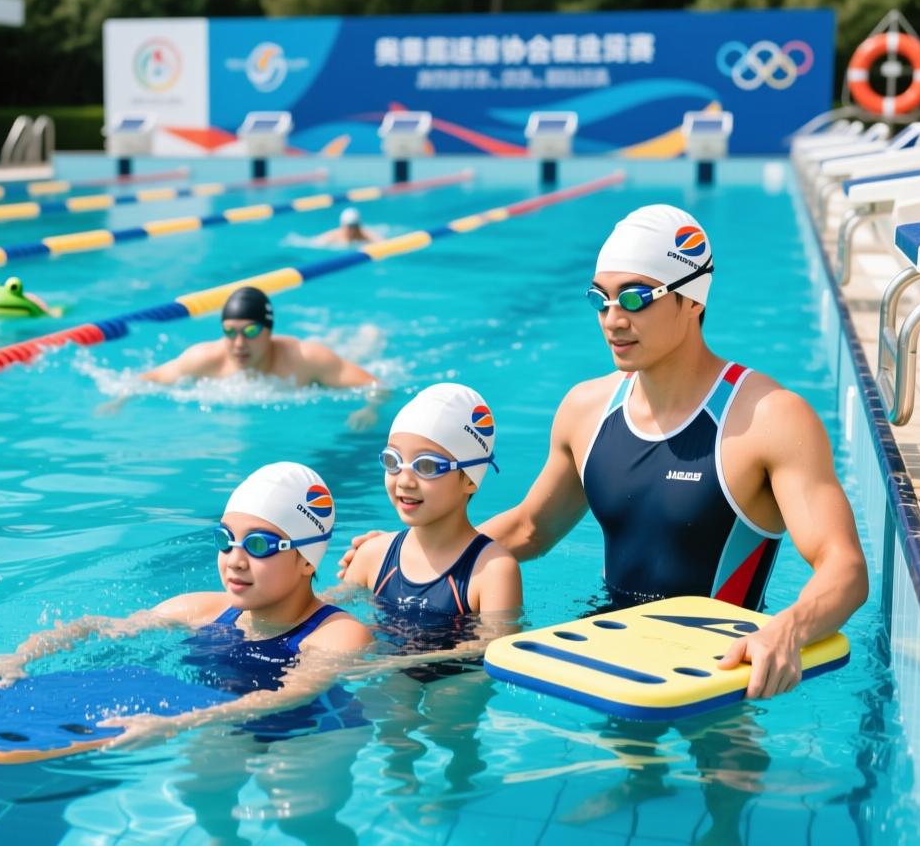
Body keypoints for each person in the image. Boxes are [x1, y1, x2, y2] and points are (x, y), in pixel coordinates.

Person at [344, 205, 869, 700]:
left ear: (693, 299)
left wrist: (786, 632)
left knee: (726, 786)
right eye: (601, 299)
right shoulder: (586, 409)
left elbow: (843, 566)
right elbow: (531, 528)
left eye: (637, 297)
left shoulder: (768, 417)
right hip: (608, 651)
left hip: (722, 672)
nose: (613, 319)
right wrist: (410, 553)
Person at [0, 462, 374, 747]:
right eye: (226, 540)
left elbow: (293, 694)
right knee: (202, 791)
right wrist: (19, 658)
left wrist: (176, 724)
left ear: (305, 560)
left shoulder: (339, 633)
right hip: (221, 721)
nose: (235, 560)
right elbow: (96, 627)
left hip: (315, 734)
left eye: (259, 545)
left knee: (294, 804)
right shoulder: (203, 609)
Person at [340, 382, 522, 805]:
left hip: (459, 673)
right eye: (393, 462)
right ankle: (399, 781)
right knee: (388, 707)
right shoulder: (375, 553)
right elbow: (327, 614)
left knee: (448, 715)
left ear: (469, 480)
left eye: (427, 466)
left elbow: (494, 648)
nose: (404, 480)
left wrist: (405, 660)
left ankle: (462, 770)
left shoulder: (491, 569)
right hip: (395, 665)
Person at [140, 286, 389, 430]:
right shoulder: (204, 358)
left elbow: (375, 384)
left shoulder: (305, 358)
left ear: (269, 330)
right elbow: (150, 378)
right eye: (230, 332)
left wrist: (370, 409)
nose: (239, 344)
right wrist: (120, 400)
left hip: (318, 368)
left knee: (353, 354)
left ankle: (367, 337)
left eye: (250, 331)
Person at [315, 206, 381, 246]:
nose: (352, 230)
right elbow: (315, 243)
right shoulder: (333, 236)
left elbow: (382, 243)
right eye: (349, 227)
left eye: (354, 226)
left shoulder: (364, 234)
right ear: (343, 226)